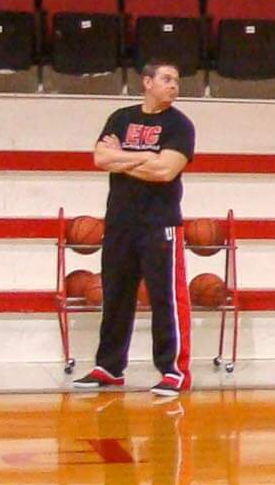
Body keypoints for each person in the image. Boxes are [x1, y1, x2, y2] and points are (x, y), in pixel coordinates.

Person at [72, 60, 197, 397]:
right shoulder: (121, 118)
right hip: (119, 223)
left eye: (176, 80)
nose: (174, 85)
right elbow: (100, 159)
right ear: (147, 82)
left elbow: (164, 172)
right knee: (115, 297)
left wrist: (122, 157)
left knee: (166, 300)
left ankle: (174, 371)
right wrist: (146, 157)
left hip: (160, 224)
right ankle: (109, 367)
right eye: (167, 79)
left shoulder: (180, 125)